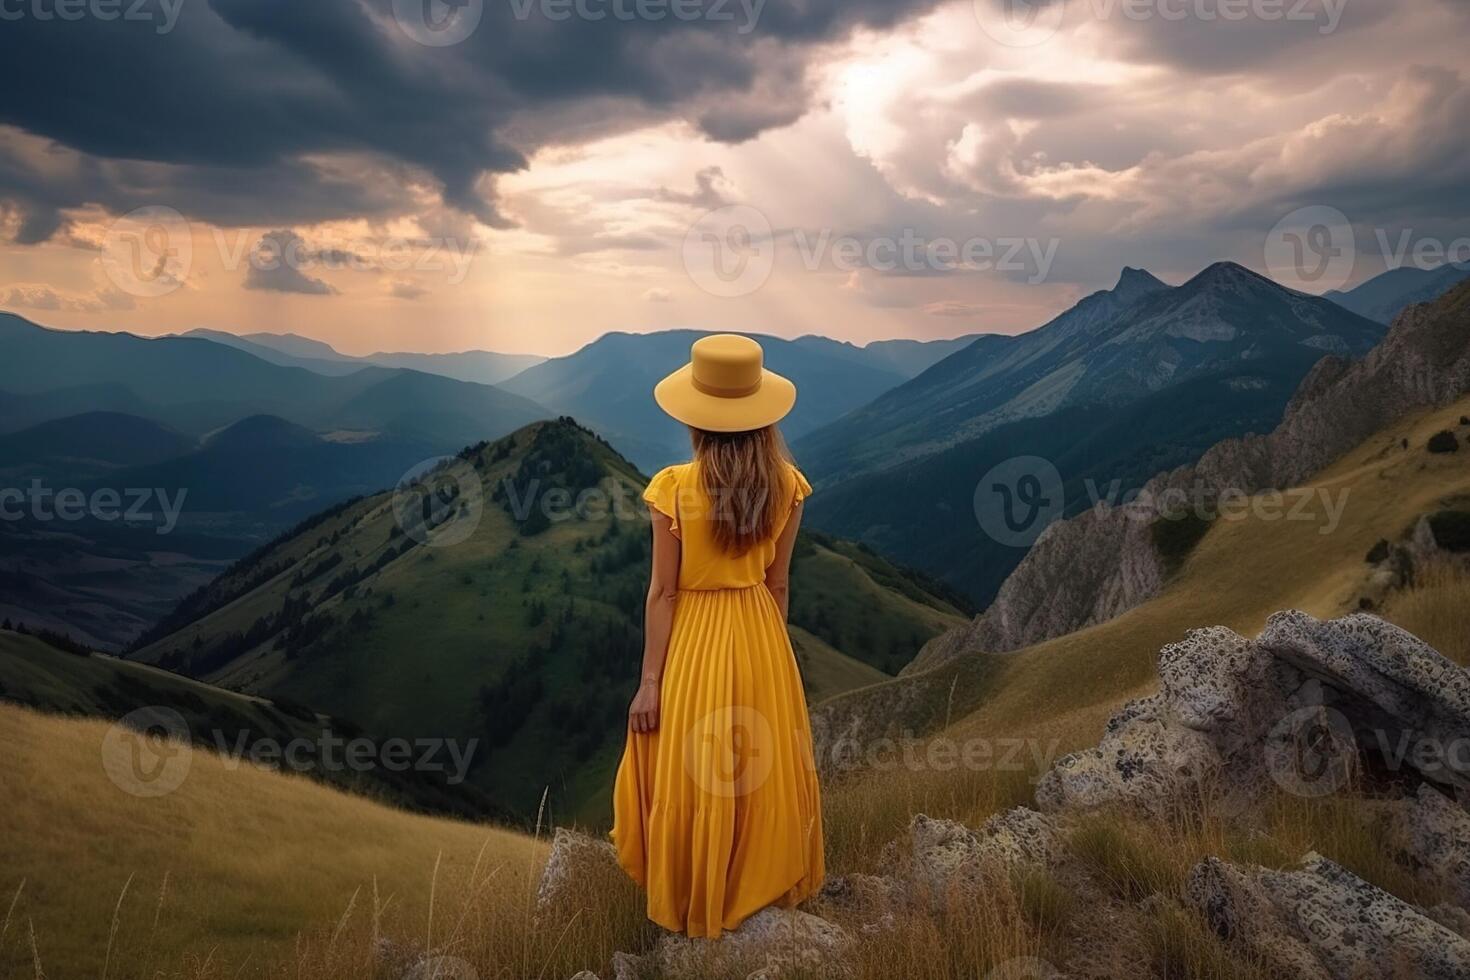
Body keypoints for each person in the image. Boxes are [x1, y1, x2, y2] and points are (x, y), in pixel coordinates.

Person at [610, 333, 825, 938]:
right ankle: (758, 885)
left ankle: (697, 898)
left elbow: (663, 592)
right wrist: (770, 657)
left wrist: (649, 681)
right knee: (758, 763)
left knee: (695, 766)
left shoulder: (673, 487)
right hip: (759, 631)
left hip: (695, 640)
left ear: (696, 417)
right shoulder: (788, 485)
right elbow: (779, 584)